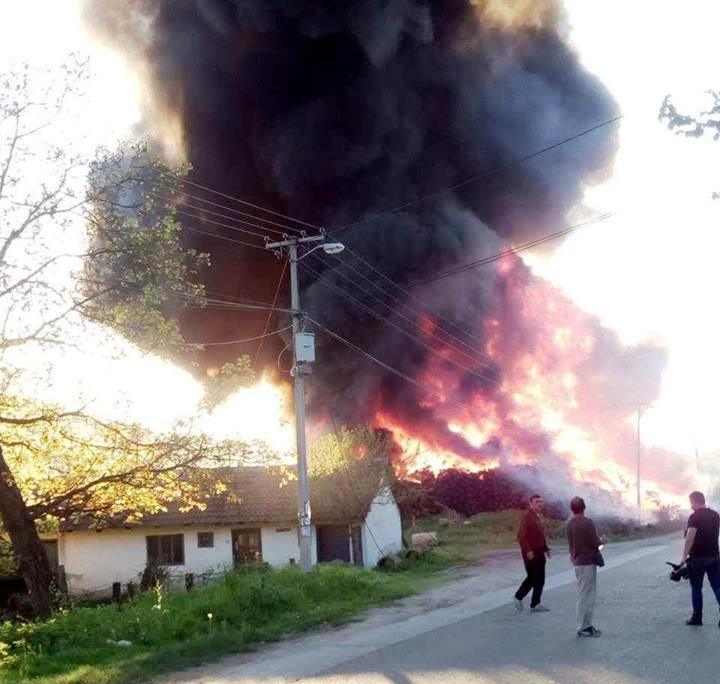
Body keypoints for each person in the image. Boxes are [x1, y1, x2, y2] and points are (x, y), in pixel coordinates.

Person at [680, 490, 720, 627]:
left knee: (696, 588)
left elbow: (690, 537)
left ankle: (697, 618)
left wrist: (684, 557)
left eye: (690, 502)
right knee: (717, 586)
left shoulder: (694, 517)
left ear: (694, 501)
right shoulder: (715, 515)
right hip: (714, 556)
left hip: (697, 558)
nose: (690, 505)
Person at [567, 496, 603, 638]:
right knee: (586, 595)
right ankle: (583, 627)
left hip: (578, 562)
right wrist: (603, 541)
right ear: (584, 508)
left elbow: (571, 545)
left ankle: (586, 625)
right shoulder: (588, 523)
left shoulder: (569, 524)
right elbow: (595, 542)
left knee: (584, 594)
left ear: (572, 509)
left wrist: (573, 556)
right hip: (587, 562)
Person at [513, 494, 550, 612]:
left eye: (541, 501)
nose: (540, 504)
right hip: (530, 552)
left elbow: (540, 535)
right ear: (531, 504)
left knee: (541, 579)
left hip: (539, 552)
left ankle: (535, 604)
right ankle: (518, 596)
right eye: (537, 502)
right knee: (533, 577)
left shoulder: (539, 516)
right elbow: (521, 536)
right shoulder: (527, 516)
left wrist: (546, 548)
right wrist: (528, 550)